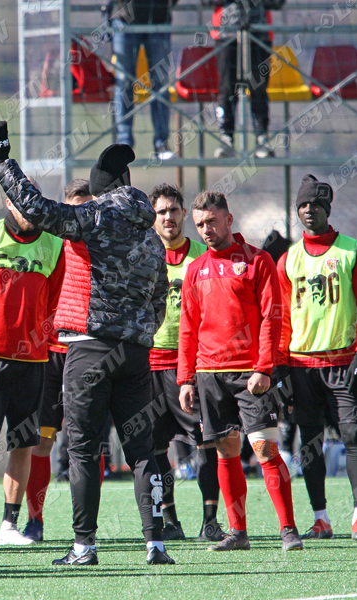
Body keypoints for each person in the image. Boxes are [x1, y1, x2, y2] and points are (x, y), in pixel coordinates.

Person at [0, 121, 174, 566]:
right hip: (135, 353)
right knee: (142, 451)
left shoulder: (95, 215)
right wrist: (142, 332)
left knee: (84, 449)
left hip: (90, 348)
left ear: (101, 189)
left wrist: (3, 164)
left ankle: (84, 546)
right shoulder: (150, 234)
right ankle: (155, 543)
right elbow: (160, 296)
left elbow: (35, 208)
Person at [177, 190, 302, 552]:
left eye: (211, 222)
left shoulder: (257, 261)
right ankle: (238, 532)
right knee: (226, 451)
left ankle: (288, 529)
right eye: (199, 224)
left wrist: (264, 368)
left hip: (251, 374)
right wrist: (185, 378)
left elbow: (271, 318)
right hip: (208, 374)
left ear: (228, 220)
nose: (205, 230)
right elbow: (188, 327)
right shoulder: (195, 269)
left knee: (264, 448)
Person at [0, 190, 64, 548]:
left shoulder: (54, 245)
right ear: (8, 204)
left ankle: (9, 525)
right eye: (23, 206)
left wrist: (40, 341)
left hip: (34, 363)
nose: (31, 212)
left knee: (23, 445)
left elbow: (54, 302)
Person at [276, 175, 357, 540]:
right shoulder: (288, 259)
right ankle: (321, 518)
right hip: (301, 365)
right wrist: (279, 365)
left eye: (315, 204)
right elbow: (279, 316)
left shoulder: (351, 251)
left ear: (328, 208)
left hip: (343, 362)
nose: (308, 210)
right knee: (308, 440)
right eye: (303, 205)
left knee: (353, 433)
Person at [146, 183, 222, 542]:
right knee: (156, 446)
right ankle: (170, 520)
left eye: (174, 210)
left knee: (205, 441)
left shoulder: (200, 257)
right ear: (153, 218)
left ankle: (210, 520)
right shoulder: (143, 256)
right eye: (161, 212)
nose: (168, 218)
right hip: (150, 365)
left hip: (191, 366)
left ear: (183, 215)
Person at [23, 179, 91, 543]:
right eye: (75, 208)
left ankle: (91, 529)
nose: (81, 215)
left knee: (88, 443)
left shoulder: (103, 243)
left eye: (87, 207)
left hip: (90, 351)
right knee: (41, 442)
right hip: (51, 354)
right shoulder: (52, 245)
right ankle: (35, 520)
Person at [206, 0, 283, 158]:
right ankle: (226, 138)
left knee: (258, 88)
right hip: (226, 33)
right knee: (227, 88)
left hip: (259, 33)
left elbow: (278, 2)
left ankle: (262, 138)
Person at [111, 0, 179, 160]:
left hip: (159, 19)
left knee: (160, 84)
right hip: (124, 20)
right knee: (124, 83)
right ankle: (123, 144)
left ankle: (161, 144)